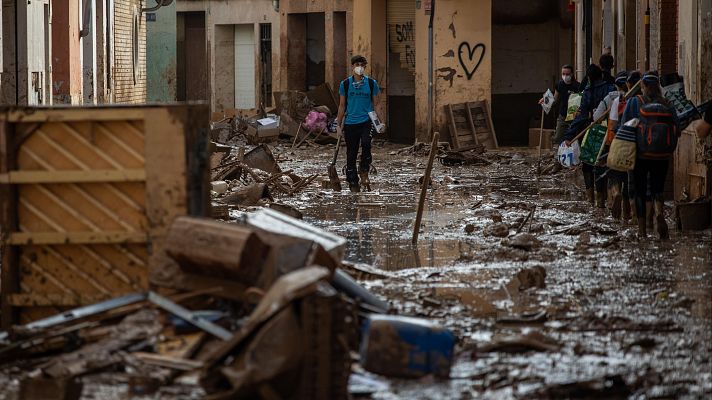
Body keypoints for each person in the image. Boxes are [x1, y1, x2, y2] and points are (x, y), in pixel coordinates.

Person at [618, 71, 680, 238]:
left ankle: (642, 230)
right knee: (657, 188)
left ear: (643, 86)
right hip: (662, 155)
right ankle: (659, 212)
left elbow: (624, 127)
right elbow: (677, 128)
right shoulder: (667, 103)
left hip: (640, 154)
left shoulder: (633, 102)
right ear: (658, 86)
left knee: (639, 190)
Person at [563, 64, 616, 207]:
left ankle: (590, 199)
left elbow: (580, 115)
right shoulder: (610, 89)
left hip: (588, 131)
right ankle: (601, 200)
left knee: (587, 162)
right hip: (606, 131)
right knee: (601, 164)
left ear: (589, 78)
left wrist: (569, 135)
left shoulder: (587, 91)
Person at [336, 55, 382, 193]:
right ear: (352, 66)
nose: (359, 67)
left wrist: (381, 122)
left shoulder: (371, 83)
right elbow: (342, 105)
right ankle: (352, 181)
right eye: (357, 64)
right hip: (350, 123)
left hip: (367, 121)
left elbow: (377, 104)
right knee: (351, 152)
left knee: (367, 143)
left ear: (365, 67)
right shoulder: (345, 84)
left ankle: (364, 170)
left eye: (362, 65)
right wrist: (338, 125)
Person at [605, 71, 633, 221]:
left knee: (615, 174)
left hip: (619, 141)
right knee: (630, 177)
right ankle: (628, 214)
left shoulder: (618, 101)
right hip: (635, 144)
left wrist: (610, 144)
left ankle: (616, 193)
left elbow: (613, 124)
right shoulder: (640, 100)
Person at [540, 64, 580, 145]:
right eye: (563, 74)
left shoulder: (577, 86)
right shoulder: (559, 85)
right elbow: (554, 99)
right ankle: (558, 152)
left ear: (572, 74)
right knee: (558, 136)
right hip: (562, 115)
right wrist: (545, 100)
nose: (565, 76)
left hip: (574, 116)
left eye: (567, 74)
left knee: (574, 137)